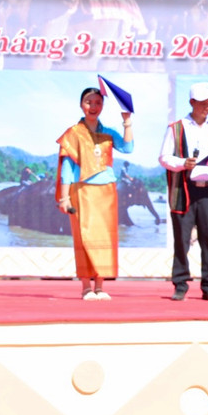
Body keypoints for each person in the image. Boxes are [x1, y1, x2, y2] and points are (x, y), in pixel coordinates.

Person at [54, 86, 134, 300]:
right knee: (84, 237)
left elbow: (127, 148)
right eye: (89, 102)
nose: (93, 107)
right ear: (81, 104)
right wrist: (64, 197)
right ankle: (86, 287)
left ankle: (100, 286)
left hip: (107, 191)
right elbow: (67, 169)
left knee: (104, 238)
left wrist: (127, 121)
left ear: (103, 106)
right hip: (82, 190)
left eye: (98, 103)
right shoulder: (73, 133)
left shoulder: (108, 132)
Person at [160, 82, 208, 302]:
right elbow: (163, 158)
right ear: (191, 102)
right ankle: (180, 284)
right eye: (202, 103)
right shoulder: (177, 128)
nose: (207, 107)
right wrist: (182, 163)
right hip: (184, 190)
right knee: (182, 240)